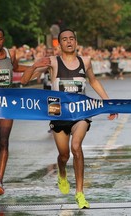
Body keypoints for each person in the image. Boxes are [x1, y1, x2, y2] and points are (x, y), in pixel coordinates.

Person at [21, 29, 118, 209]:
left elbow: (94, 82)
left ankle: (80, 193)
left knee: (76, 147)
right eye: (64, 39)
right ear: (60, 44)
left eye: (71, 38)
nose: (69, 42)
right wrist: (34, 65)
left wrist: (108, 103)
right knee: (64, 155)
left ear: (76, 41)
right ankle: (62, 173)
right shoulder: (52, 62)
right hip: (59, 114)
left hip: (80, 113)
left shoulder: (85, 61)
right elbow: (24, 81)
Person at [0, 26, 50, 195]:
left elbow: (17, 68)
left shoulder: (10, 54)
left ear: (3, 39)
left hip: (6, 103)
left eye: (0, 39)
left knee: (4, 141)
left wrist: (35, 65)